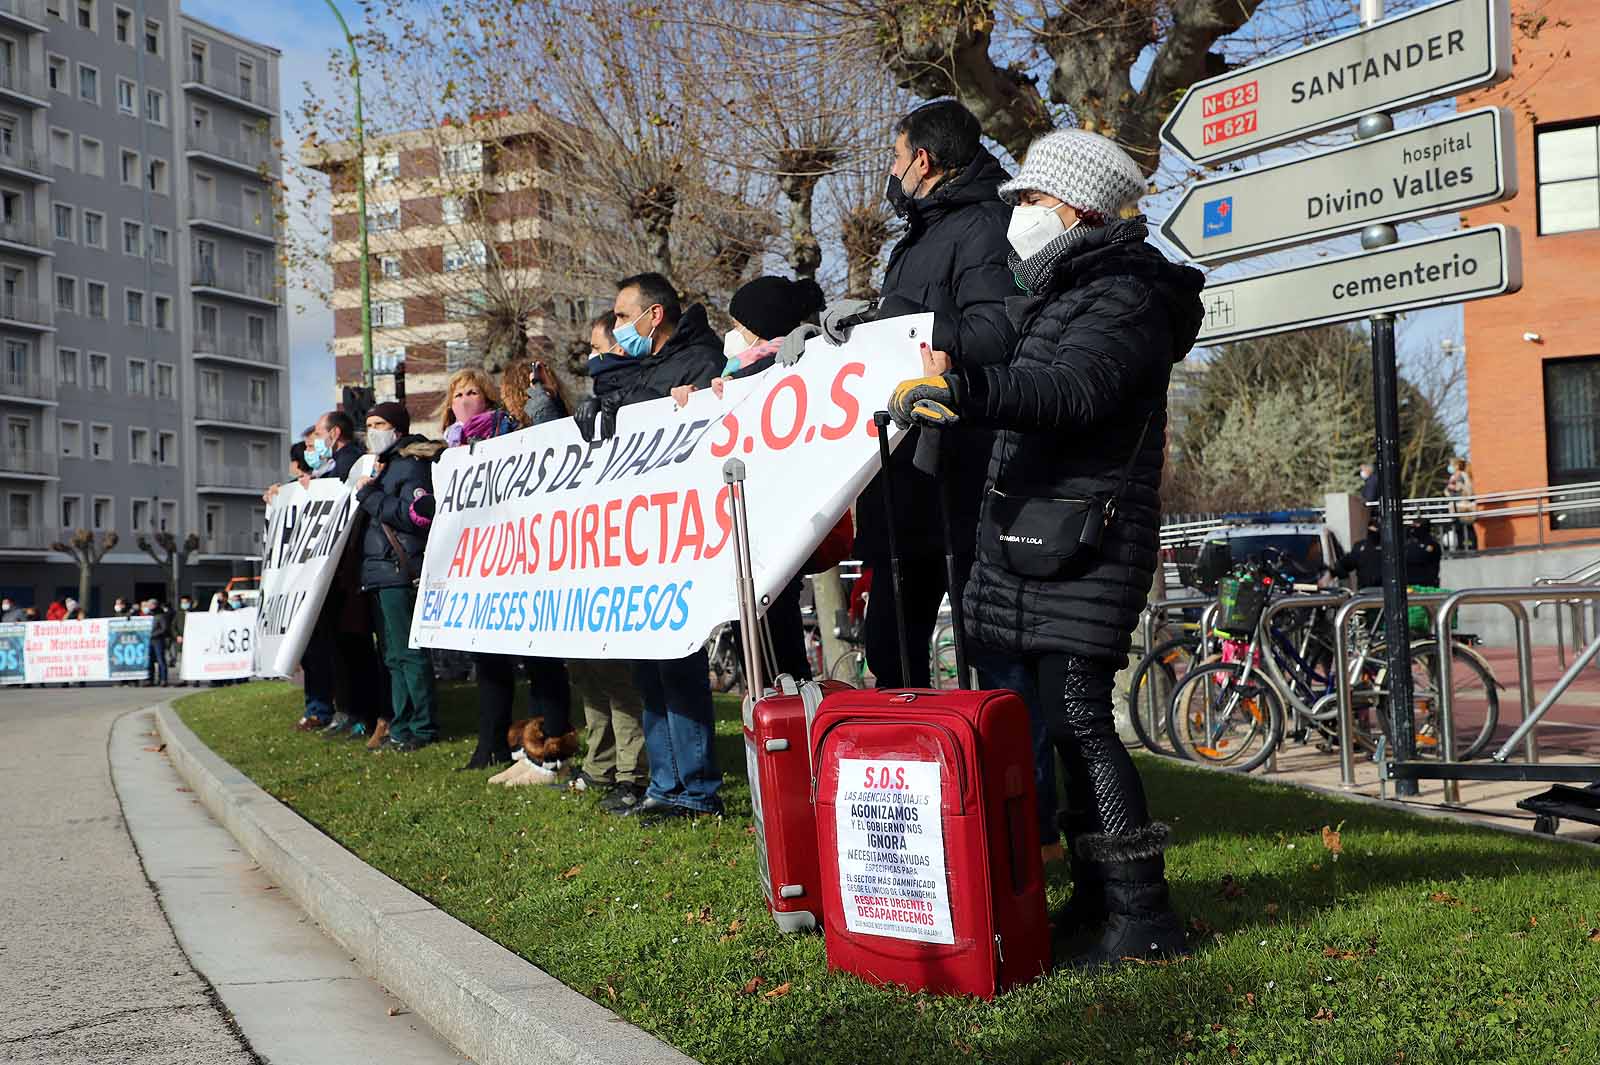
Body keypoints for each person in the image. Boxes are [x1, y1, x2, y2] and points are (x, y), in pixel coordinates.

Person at [887, 128, 1205, 967]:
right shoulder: (1058, 290)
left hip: (1087, 541)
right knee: (1053, 727)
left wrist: (968, 389)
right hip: (1035, 539)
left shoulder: (1127, 293)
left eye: (1028, 201)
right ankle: (1096, 895)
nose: (1017, 216)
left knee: (1081, 722)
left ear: (1073, 207)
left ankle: (1143, 914)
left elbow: (1069, 392)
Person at [792, 101, 1016, 694]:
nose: (892, 172)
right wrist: (861, 325)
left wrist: (895, 325)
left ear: (923, 159)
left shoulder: (987, 224)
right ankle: (916, 771)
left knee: (981, 655)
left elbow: (995, 332)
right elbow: (911, 319)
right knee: (891, 650)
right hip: (909, 478)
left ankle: (988, 774)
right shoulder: (922, 234)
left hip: (961, 474)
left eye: (895, 158)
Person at [590, 272, 725, 821]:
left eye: (623, 316)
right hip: (641, 537)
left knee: (678, 668)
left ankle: (697, 792)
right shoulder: (643, 364)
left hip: (680, 537)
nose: (618, 326)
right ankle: (664, 787)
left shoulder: (699, 360)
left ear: (655, 316)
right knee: (648, 668)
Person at [672, 275, 829, 680]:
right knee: (757, 660)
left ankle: (794, 731)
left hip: (768, 541)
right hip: (748, 538)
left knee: (777, 664)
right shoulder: (741, 373)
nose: (732, 335)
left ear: (762, 329)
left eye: (739, 326)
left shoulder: (782, 370)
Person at [472, 360, 581, 784]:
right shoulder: (508, 433)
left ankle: (553, 751)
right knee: (537, 659)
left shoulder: (543, 425)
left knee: (546, 660)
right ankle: (538, 751)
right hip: (524, 560)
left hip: (543, 560)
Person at [564, 314, 651, 812]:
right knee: (589, 675)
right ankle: (599, 767)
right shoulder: (593, 403)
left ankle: (629, 773)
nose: (592, 358)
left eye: (597, 347)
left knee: (617, 680)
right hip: (585, 562)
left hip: (619, 562)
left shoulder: (636, 393)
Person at [354, 401, 441, 753]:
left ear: (397, 428)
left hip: (397, 569)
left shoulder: (411, 466)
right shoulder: (386, 466)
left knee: (408, 652)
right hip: (379, 571)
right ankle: (402, 725)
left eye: (378, 424)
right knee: (392, 656)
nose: (372, 431)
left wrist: (369, 495)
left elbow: (415, 517)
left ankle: (423, 726)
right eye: (368, 424)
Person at [1333, 521, 1384, 588]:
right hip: (1366, 592)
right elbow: (1345, 564)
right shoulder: (1360, 547)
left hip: (1384, 592)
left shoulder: (1390, 548)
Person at [1446, 457, 1477, 550]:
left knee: (1468, 527)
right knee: (1458, 528)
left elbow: (1468, 490)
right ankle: (1461, 547)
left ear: (1457, 465)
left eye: (1452, 464)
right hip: (1455, 507)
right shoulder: (1453, 476)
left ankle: (1472, 547)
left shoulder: (1463, 475)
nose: (1450, 467)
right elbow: (1449, 490)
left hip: (1463, 506)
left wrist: (1460, 488)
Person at [1405, 519, 1443, 587]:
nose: (1413, 530)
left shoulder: (1432, 544)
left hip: (1427, 583)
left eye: (1416, 527)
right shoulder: (1409, 543)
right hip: (1409, 582)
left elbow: (1418, 557)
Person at [148, 600, 170, 687]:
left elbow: (164, 629)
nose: (149, 606)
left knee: (161, 660)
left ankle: (163, 679)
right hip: (149, 641)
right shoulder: (149, 616)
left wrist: (153, 634)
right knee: (150, 660)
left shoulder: (161, 616)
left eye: (151, 605)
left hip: (158, 640)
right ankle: (150, 679)